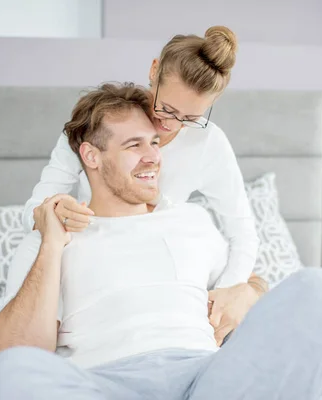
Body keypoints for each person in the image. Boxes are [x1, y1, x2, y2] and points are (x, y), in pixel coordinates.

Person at [0, 83, 322, 400]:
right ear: (91, 156)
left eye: (155, 143)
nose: (153, 158)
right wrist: (51, 243)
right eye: (134, 146)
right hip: (107, 384)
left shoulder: (191, 219)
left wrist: (250, 292)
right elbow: (12, 347)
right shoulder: (52, 236)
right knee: (11, 371)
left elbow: (250, 282)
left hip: (207, 379)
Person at [20, 26, 259, 291]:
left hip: (163, 268)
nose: (170, 125)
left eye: (190, 118)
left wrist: (227, 295)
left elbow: (243, 233)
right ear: (154, 70)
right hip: (100, 261)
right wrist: (53, 213)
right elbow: (30, 212)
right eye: (166, 108)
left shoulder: (208, 144)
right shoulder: (97, 125)